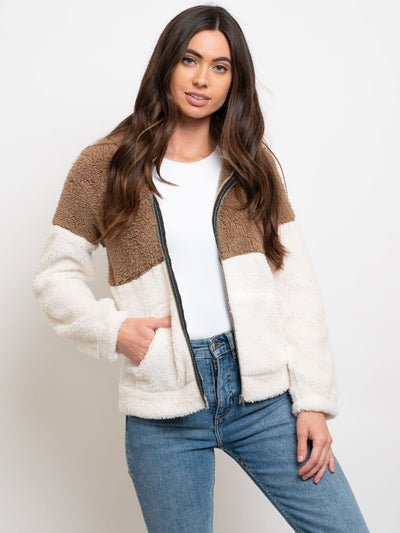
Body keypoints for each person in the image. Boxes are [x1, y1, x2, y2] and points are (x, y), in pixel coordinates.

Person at [32, 4, 371, 532]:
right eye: (190, 60)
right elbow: (55, 274)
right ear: (167, 64)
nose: (201, 79)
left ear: (234, 80)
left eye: (220, 66)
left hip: (262, 398)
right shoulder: (106, 164)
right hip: (163, 408)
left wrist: (312, 402)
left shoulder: (251, 165)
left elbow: (295, 285)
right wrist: (113, 329)